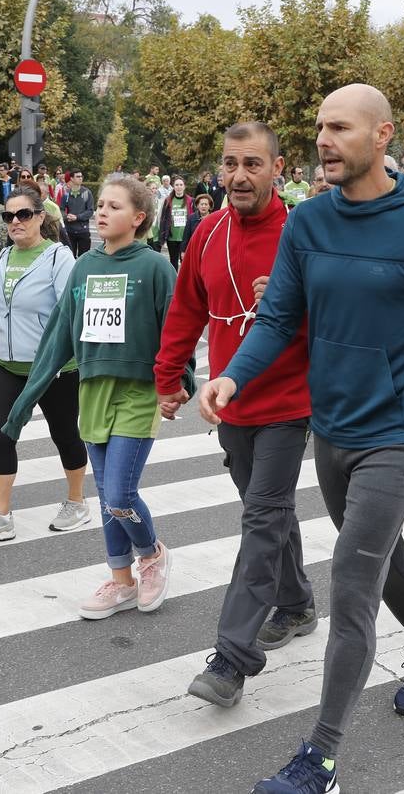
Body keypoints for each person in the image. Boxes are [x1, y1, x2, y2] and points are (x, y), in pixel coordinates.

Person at [198, 85, 404, 794]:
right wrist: (233, 379)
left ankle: (321, 760)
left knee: (352, 580)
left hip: (396, 435)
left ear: (382, 134)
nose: (325, 140)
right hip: (330, 428)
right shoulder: (310, 222)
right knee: (384, 558)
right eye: (319, 128)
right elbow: (277, 317)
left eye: (340, 127)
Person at [155, 122, 317, 709]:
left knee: (261, 519)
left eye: (252, 163)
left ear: (279, 168)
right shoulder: (207, 231)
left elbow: (342, 312)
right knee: (266, 512)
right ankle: (296, 602)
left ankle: (232, 658)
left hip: (288, 402)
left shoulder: (303, 231)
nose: (239, 175)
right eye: (230, 164)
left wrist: (297, 300)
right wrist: (170, 377)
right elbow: (185, 310)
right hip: (229, 402)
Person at [1, 175, 187, 620]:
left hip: (138, 392)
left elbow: (176, 330)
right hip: (94, 391)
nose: (101, 212)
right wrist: (26, 400)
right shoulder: (84, 267)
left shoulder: (155, 267)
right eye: (100, 204)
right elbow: (59, 335)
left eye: (114, 206)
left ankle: (152, 553)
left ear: (139, 218)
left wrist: (178, 383)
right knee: (106, 497)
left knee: (120, 493)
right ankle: (121, 581)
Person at [0, 186, 89, 542]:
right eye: (9, 216)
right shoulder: (4, 258)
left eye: (23, 215)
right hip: (8, 365)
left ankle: (76, 501)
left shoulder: (58, 258)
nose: (15, 222)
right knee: (0, 435)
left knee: (64, 434)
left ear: (40, 217)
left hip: (52, 368)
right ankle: (1, 515)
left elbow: (71, 314)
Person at [157, 175, 193, 269]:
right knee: (173, 261)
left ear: (184, 186)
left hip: (185, 237)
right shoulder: (168, 200)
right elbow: (163, 219)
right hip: (172, 237)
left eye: (181, 185)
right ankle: (174, 281)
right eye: (176, 185)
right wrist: (162, 235)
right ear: (173, 186)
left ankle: (184, 282)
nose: (179, 187)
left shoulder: (190, 201)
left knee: (185, 262)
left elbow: (193, 218)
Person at [62, 170, 95, 256]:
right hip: (69, 231)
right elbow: (60, 210)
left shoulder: (87, 193)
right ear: (72, 178)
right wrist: (66, 216)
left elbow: (90, 211)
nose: (80, 178)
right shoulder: (66, 194)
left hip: (83, 231)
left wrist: (77, 217)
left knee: (83, 258)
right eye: (78, 176)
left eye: (81, 176)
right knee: (69, 257)